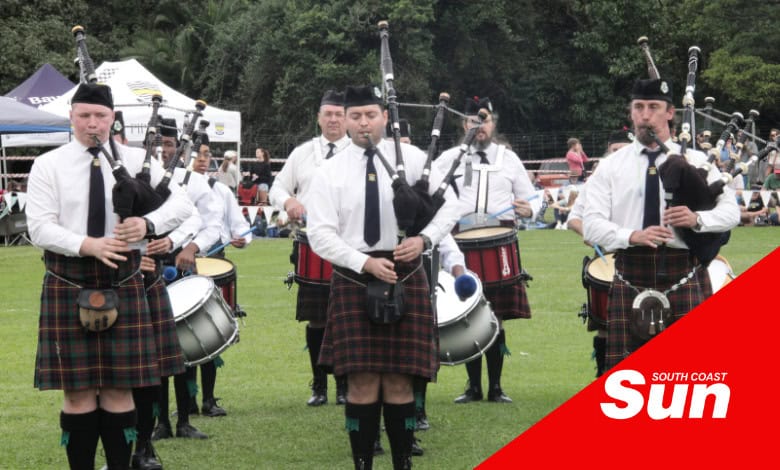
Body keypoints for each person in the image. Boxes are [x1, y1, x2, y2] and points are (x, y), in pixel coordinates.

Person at [25, 82, 194, 470]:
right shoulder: (48, 165)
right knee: (78, 392)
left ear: (112, 119)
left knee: (121, 390)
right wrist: (89, 245)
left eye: (100, 116)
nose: (92, 124)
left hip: (123, 280)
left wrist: (147, 222)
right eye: (84, 115)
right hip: (69, 279)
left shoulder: (137, 163)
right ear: (71, 118)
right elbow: (39, 228)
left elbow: (182, 203)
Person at [306, 85, 461, 470]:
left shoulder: (414, 159)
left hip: (405, 272)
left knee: (400, 380)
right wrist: (363, 262)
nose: (362, 123)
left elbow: (452, 205)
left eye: (370, 115)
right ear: (343, 121)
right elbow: (320, 234)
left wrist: (425, 239)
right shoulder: (329, 172)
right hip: (355, 277)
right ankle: (362, 464)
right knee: (360, 382)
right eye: (354, 116)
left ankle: (403, 463)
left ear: (385, 118)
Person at [582, 77, 740, 371]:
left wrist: (698, 219)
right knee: (630, 375)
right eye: (638, 107)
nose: (645, 114)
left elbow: (731, 211)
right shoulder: (611, 167)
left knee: (689, 375)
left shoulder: (696, 161)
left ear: (670, 113)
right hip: (631, 270)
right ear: (631, 113)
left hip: (685, 271)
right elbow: (590, 224)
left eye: (653, 107)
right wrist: (632, 235)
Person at [434, 96, 535, 404]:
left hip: (499, 245)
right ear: (464, 124)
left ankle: (496, 387)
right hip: (460, 246)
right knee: (468, 312)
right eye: (473, 121)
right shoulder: (448, 158)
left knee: (496, 316)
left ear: (493, 123)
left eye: (485, 120)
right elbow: (427, 191)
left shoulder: (509, 159)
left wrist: (529, 209)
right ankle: (473, 387)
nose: (480, 126)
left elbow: (532, 200)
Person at [269, 89, 351, 406]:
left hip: (348, 247)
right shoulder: (303, 153)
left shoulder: (359, 153)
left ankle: (345, 386)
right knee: (317, 318)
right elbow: (278, 186)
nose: (333, 119)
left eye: (338, 114)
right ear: (319, 118)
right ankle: (319, 386)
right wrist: (288, 200)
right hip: (310, 244)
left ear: (346, 118)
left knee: (346, 317)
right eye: (327, 114)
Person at [149, 117, 223, 442]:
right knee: (152, 350)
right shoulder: (141, 175)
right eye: (159, 144)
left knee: (182, 346)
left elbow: (212, 222)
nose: (164, 150)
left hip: (180, 267)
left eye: (169, 144)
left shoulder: (193, 182)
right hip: (146, 270)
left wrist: (191, 247)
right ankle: (160, 421)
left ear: (179, 146)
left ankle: (184, 419)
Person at [190, 132, 252, 418]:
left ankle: (209, 399)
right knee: (182, 336)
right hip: (182, 265)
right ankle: (187, 401)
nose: (202, 159)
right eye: (196, 154)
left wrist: (241, 238)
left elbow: (238, 227)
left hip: (214, 263)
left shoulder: (221, 190)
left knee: (210, 335)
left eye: (205, 153)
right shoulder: (174, 186)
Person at [567, 127, 632, 377]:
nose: (618, 155)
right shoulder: (599, 179)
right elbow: (574, 218)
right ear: (608, 151)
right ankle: (603, 372)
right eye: (614, 150)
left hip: (640, 257)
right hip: (606, 257)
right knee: (605, 323)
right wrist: (589, 234)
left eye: (623, 151)